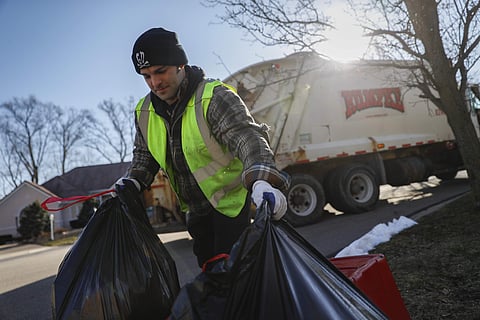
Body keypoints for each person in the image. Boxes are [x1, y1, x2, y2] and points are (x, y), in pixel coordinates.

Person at [116, 27, 290, 268]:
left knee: (240, 277)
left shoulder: (213, 97)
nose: (155, 83)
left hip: (232, 208)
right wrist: (132, 181)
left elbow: (246, 137)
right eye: (146, 76)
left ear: (180, 64)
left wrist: (262, 180)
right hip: (196, 212)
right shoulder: (144, 112)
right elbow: (144, 156)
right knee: (212, 279)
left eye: (160, 71)